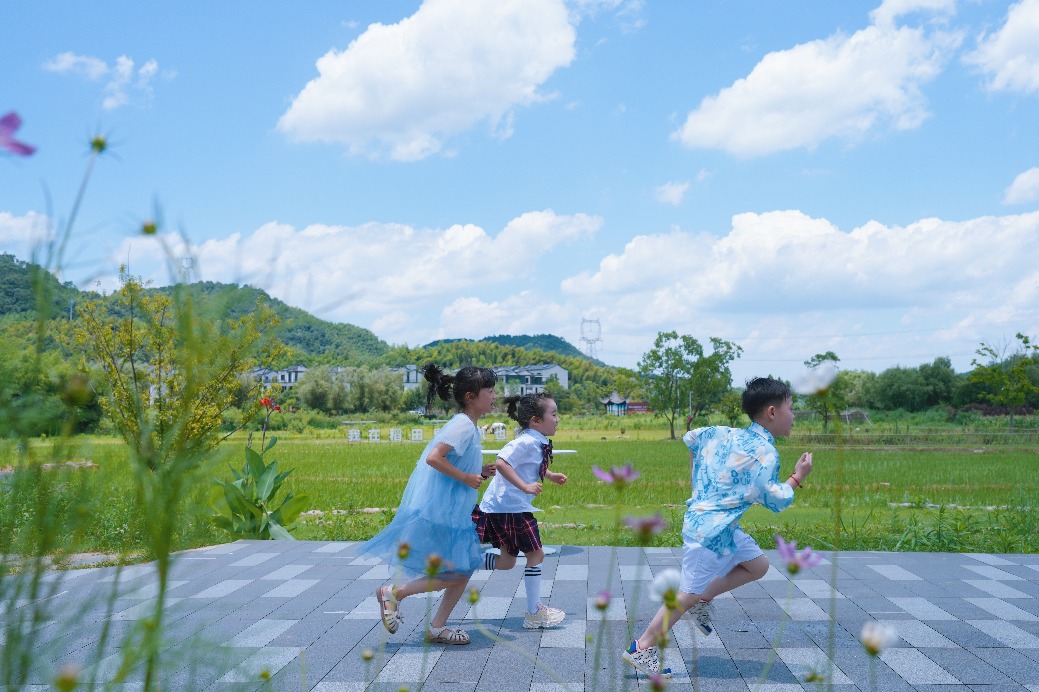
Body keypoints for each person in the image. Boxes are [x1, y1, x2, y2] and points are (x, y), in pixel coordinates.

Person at [623, 377, 814, 677]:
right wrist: (798, 476)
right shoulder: (765, 452)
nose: (794, 416)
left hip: (720, 527)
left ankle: (702, 598)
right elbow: (775, 499)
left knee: (758, 565)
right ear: (772, 412)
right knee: (685, 594)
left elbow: (691, 438)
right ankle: (642, 646)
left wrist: (698, 487)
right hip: (709, 533)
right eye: (791, 408)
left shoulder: (723, 433)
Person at [358, 363, 499, 646]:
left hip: (453, 512)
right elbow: (434, 458)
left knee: (462, 569)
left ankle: (436, 627)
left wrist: (479, 471)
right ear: (471, 397)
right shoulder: (463, 425)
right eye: (490, 391)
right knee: (459, 570)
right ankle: (395, 594)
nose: (495, 396)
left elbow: (453, 460)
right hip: (443, 514)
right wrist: (466, 477)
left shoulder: (468, 425)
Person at [473, 392, 567, 629]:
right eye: (553, 414)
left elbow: (529, 465)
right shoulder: (526, 441)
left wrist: (550, 475)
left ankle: (462, 561)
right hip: (510, 507)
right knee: (536, 555)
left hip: (505, 506)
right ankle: (534, 611)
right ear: (536, 420)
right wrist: (525, 486)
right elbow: (502, 463)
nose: (557, 419)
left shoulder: (534, 440)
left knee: (506, 561)